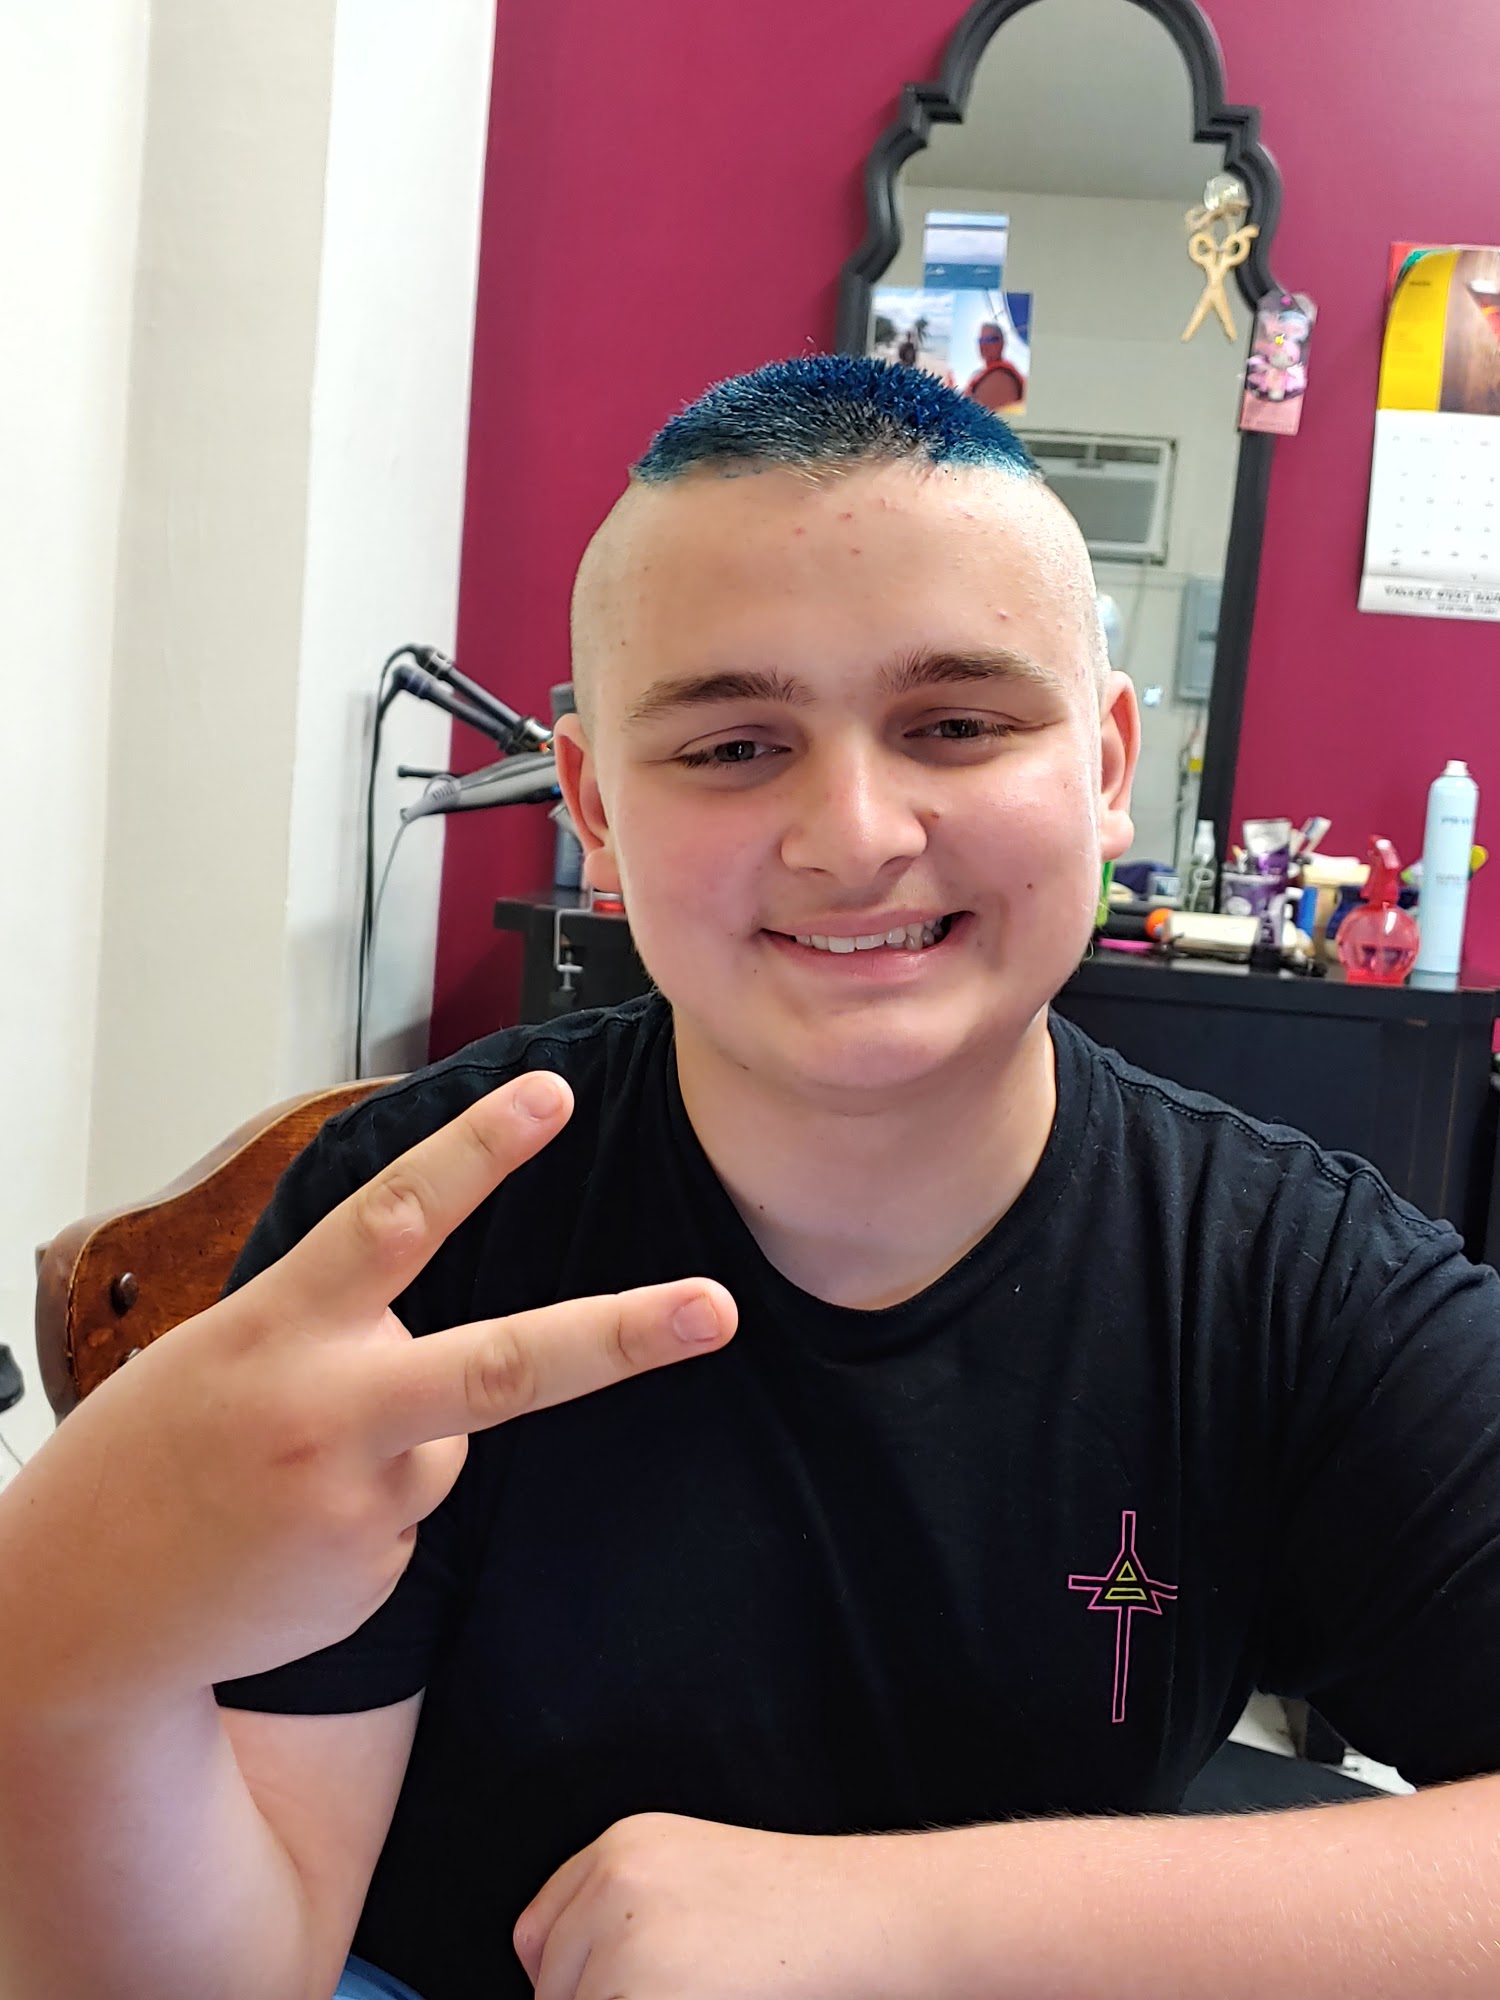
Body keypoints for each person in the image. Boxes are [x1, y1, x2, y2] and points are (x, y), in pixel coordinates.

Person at [3, 357, 1500, 2000]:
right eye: (730, 746)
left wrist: (917, 1924)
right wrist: (59, 1638)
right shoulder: (413, 1237)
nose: (854, 835)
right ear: (593, 807)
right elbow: (231, 1967)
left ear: (1103, 762)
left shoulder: (1293, 1285)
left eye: (956, 724)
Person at [965, 321, 1025, 411]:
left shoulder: (1002, 376)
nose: (983, 345)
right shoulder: (981, 373)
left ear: (1002, 343)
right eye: (981, 340)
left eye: (989, 340)